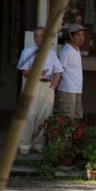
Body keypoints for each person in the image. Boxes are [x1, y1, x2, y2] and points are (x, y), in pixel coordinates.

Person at [17, 27, 63, 155]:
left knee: (44, 116)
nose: (38, 38)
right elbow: (24, 71)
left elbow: (58, 70)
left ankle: (38, 144)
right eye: (36, 36)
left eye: (41, 35)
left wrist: (56, 81)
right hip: (32, 84)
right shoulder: (27, 52)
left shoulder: (52, 53)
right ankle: (25, 145)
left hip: (47, 86)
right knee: (29, 115)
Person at [56, 23, 85, 119]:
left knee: (77, 117)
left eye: (82, 35)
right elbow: (59, 70)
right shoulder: (67, 51)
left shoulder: (76, 49)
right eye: (77, 35)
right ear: (71, 36)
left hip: (76, 89)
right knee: (67, 119)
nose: (81, 38)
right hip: (67, 90)